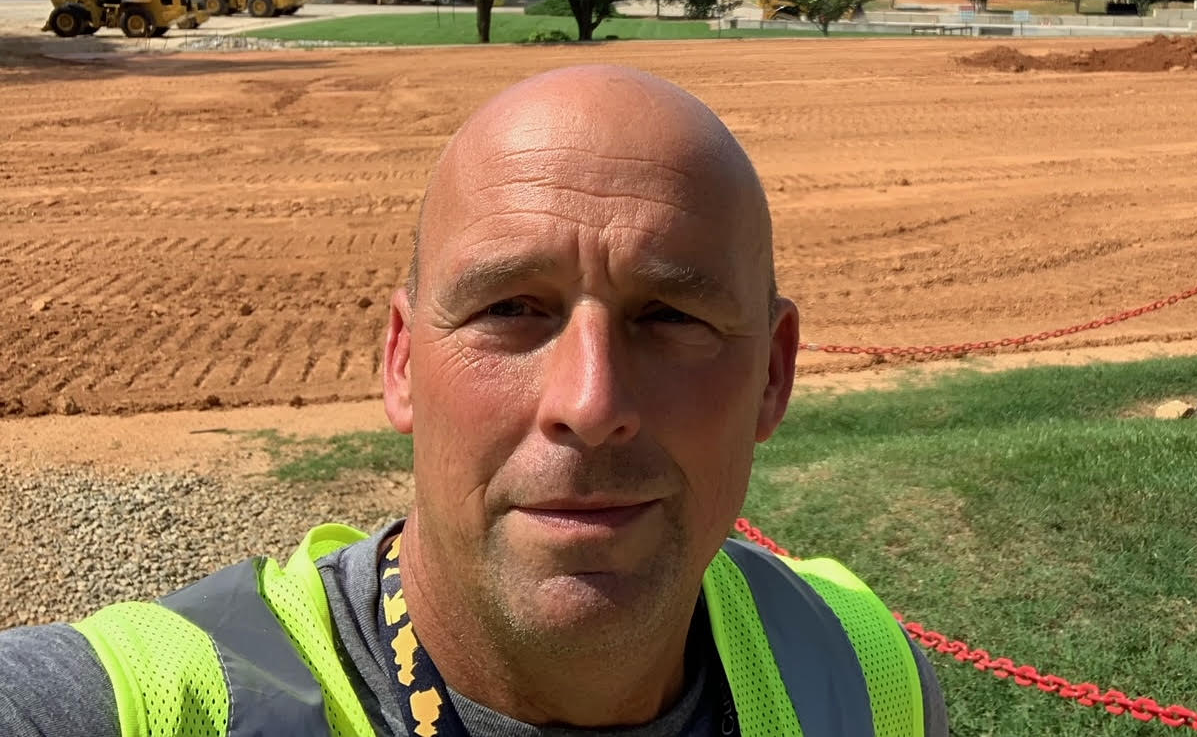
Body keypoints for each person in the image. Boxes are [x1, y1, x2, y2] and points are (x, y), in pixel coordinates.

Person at [0, 64, 948, 736]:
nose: (589, 400)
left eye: (667, 315)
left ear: (774, 377)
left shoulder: (867, 677)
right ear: (404, 363)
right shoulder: (143, 702)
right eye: (509, 310)